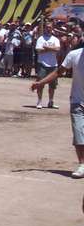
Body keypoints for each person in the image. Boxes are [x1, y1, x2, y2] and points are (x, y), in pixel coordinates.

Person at [31, 45, 84, 178]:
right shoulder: (74, 54)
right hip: (78, 102)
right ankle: (82, 164)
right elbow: (58, 72)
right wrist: (41, 83)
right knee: (79, 134)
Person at [35, 23, 61, 109]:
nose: (48, 29)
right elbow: (38, 50)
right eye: (47, 27)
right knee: (40, 83)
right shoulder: (41, 39)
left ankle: (51, 101)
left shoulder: (55, 39)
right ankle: (39, 101)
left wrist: (46, 48)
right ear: (45, 28)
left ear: (52, 28)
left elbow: (57, 49)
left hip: (53, 65)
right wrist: (51, 48)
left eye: (50, 27)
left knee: (53, 85)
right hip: (42, 63)